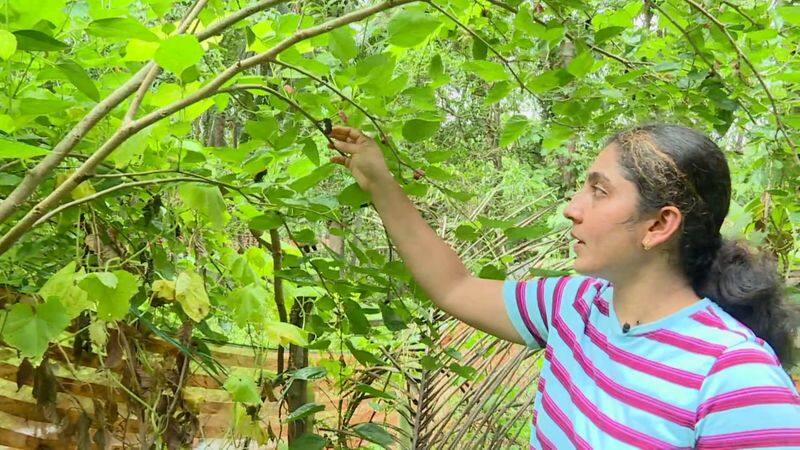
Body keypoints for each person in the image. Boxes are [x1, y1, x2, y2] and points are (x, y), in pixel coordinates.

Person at [327, 123, 800, 449]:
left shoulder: (737, 382)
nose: (572, 208)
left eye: (599, 191)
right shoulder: (574, 306)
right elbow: (454, 286)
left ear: (659, 225)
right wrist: (379, 182)